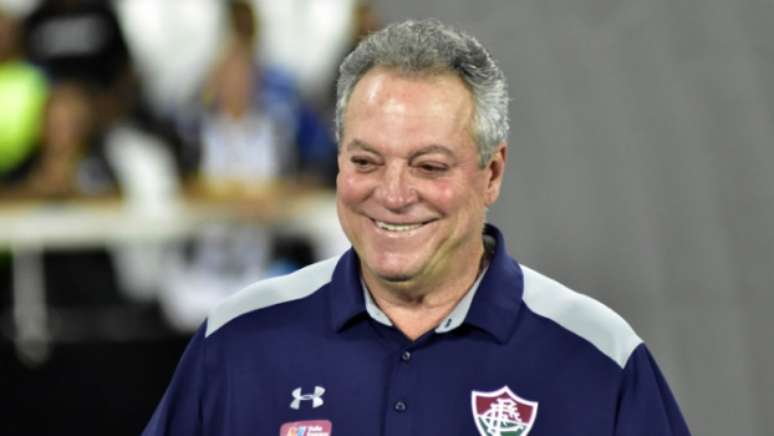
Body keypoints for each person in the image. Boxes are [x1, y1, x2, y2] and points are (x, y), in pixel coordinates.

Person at [143, 19, 692, 435]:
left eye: (429, 166)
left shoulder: (599, 358)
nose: (394, 194)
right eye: (365, 162)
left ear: (492, 172)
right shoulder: (237, 343)